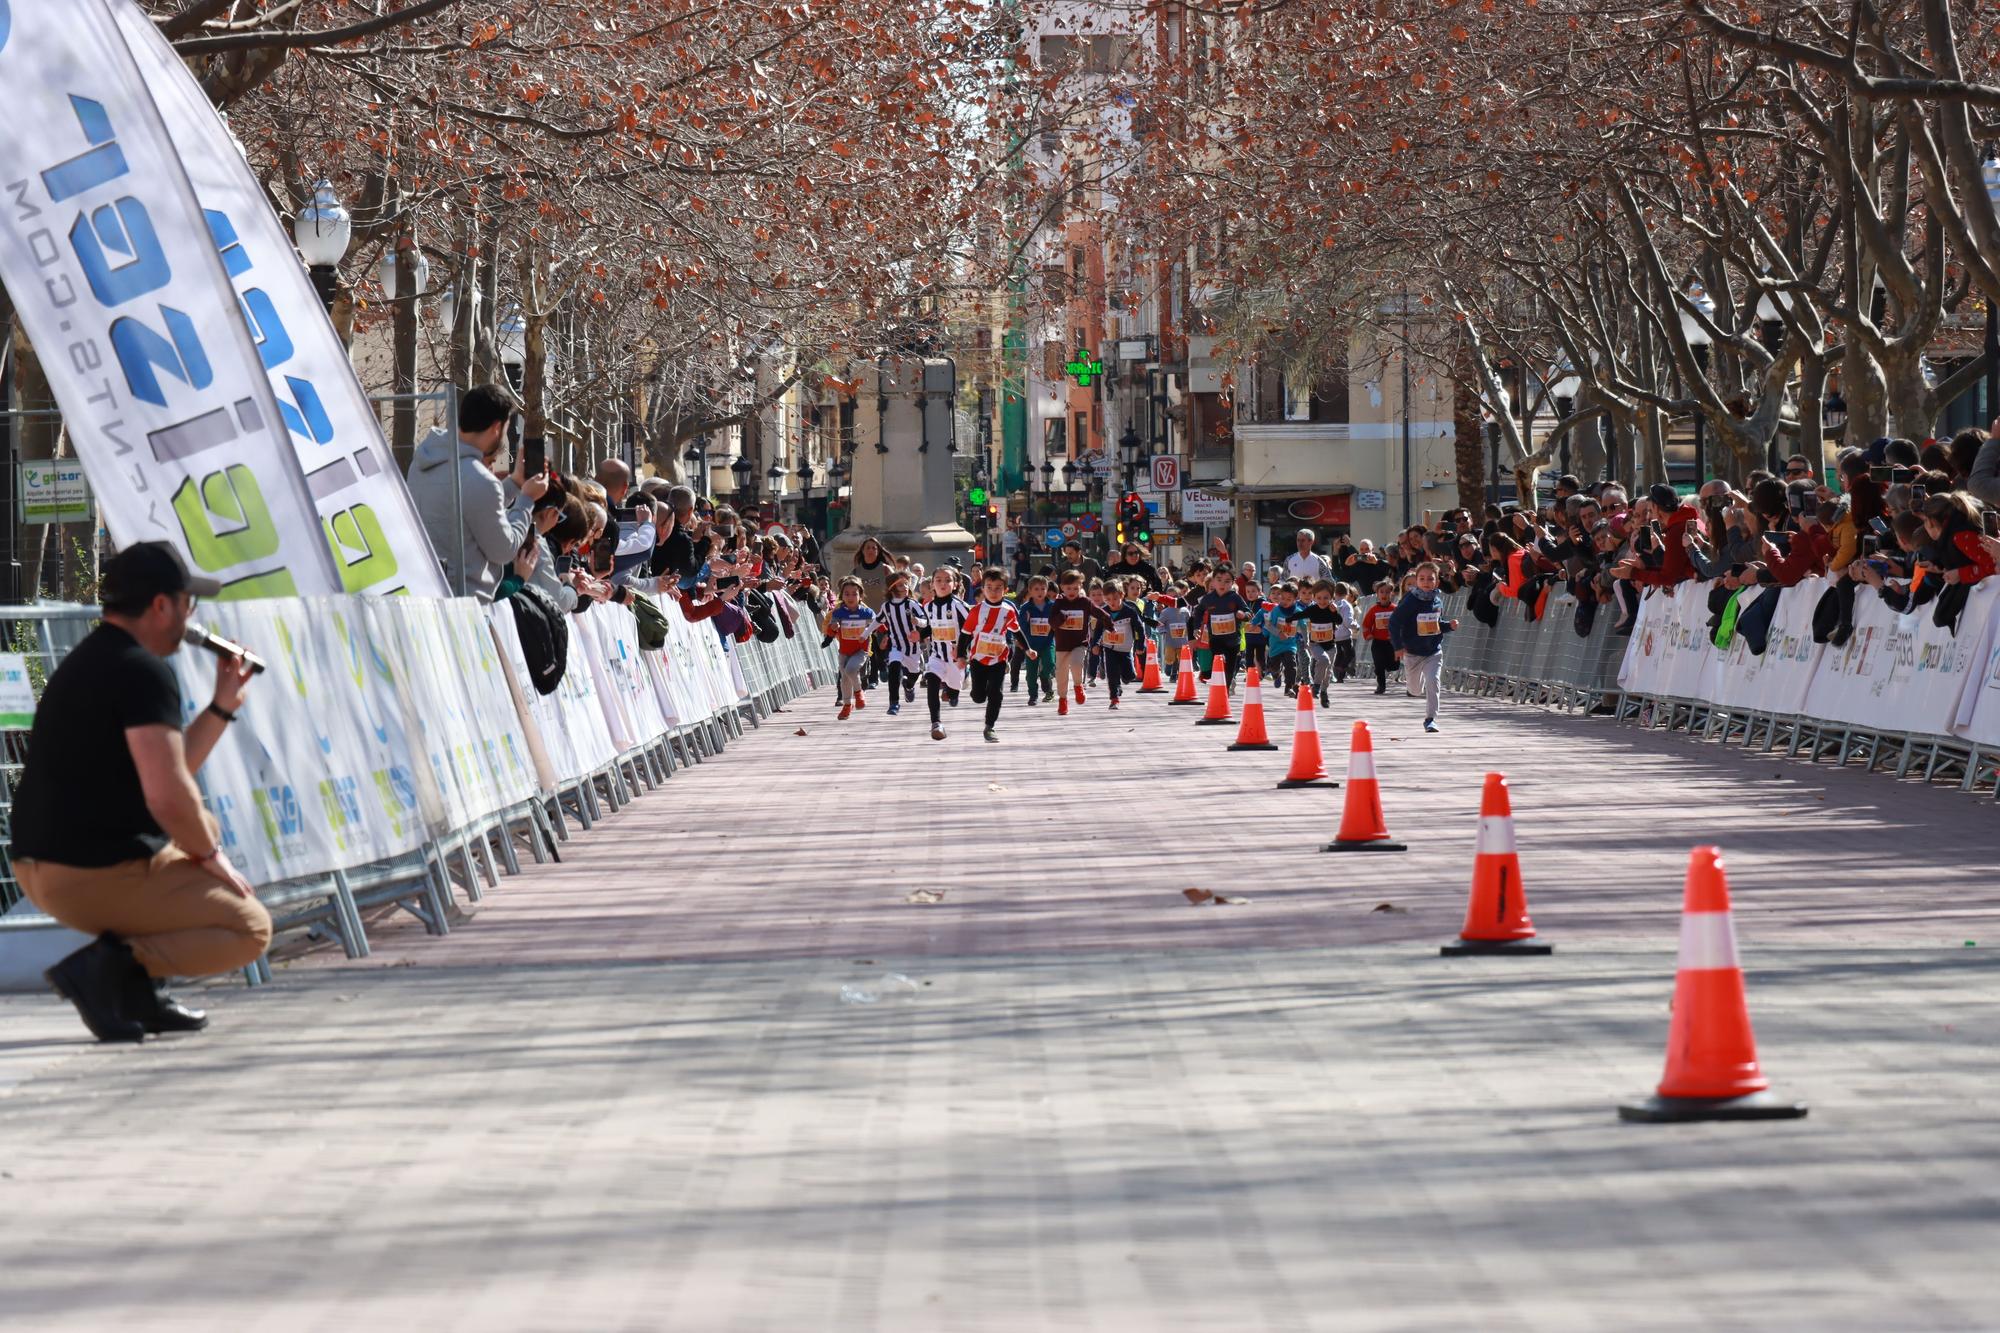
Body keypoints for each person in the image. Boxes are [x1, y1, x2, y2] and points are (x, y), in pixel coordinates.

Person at [11, 543, 270, 1042]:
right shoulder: (142, 671)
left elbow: (168, 771)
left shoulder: (94, 659)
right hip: (89, 873)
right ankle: (108, 971)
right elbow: (169, 796)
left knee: (198, 828)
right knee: (250, 929)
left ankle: (140, 997)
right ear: (161, 606)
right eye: (187, 603)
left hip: (47, 866)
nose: (190, 617)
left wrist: (221, 706)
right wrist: (211, 856)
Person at [406, 383, 550, 601]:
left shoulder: (422, 461)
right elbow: (503, 550)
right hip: (465, 607)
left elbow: (469, 508)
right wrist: (526, 500)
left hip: (426, 596)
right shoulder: (479, 480)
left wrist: (514, 485)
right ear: (496, 427)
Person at [1389, 561, 1460, 733]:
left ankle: (1431, 719)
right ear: (1417, 581)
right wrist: (1398, 646)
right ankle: (1415, 686)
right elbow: (1394, 622)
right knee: (1414, 690)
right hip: (1412, 652)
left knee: (1433, 681)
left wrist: (1448, 626)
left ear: (1436, 582)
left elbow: (1435, 625)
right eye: (1422, 579)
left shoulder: (1437, 601)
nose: (1426, 582)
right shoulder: (1410, 601)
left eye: (1430, 579)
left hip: (1433, 651)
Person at [959, 567, 1022, 742]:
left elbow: (1017, 631)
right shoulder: (976, 611)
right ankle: (976, 690)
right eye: (989, 587)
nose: (993, 592)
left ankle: (990, 727)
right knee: (979, 697)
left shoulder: (1008, 610)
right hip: (978, 659)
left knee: (996, 693)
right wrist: (961, 655)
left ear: (1005, 590)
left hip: (999, 658)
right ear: (983, 589)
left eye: (998, 588)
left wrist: (1028, 648)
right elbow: (965, 634)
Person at [1048, 568, 1110, 716]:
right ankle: (1063, 700)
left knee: (1076, 664)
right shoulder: (1059, 602)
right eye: (1068, 588)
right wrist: (1061, 619)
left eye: (1076, 588)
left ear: (1081, 587)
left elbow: (1098, 612)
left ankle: (1078, 686)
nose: (1072, 591)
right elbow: (1051, 622)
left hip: (1079, 642)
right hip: (1062, 645)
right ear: (1062, 588)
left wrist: (1109, 621)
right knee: (1061, 674)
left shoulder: (1084, 602)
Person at [919, 566, 970, 740]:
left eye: (947, 580)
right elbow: (928, 629)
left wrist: (962, 651)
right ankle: (936, 723)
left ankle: (955, 686)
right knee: (931, 680)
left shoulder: (959, 606)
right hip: (937, 655)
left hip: (956, 658)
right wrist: (917, 635)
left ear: (955, 584)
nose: (943, 583)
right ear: (932, 584)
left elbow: (970, 629)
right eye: (938, 580)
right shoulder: (929, 607)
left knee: (954, 691)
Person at [1188, 567, 1254, 691]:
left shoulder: (1235, 597)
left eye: (1227, 581)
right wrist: (1196, 627)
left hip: (1233, 640)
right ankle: (1218, 685)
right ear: (1213, 581)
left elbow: (1248, 612)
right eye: (1219, 580)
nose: (1222, 584)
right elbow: (1198, 612)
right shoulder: (1208, 598)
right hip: (1216, 639)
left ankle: (1226, 690)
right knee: (1218, 660)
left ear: (1233, 583)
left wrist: (1243, 615)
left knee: (1229, 668)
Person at [871, 571, 925, 717]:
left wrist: (918, 622)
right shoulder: (887, 606)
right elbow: (877, 621)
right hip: (896, 646)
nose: (905, 587)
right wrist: (865, 634)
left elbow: (925, 620)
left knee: (915, 673)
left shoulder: (912, 604)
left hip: (912, 647)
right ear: (892, 588)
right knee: (894, 669)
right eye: (901, 585)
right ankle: (894, 703)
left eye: (906, 584)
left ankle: (909, 686)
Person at [822, 577, 874, 720]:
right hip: (844, 650)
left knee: (850, 670)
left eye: (854, 594)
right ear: (841, 595)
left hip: (861, 650)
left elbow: (878, 626)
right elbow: (830, 632)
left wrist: (872, 631)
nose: (850, 597)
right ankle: (847, 705)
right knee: (844, 678)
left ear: (860, 595)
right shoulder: (838, 613)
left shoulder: (867, 613)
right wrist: (833, 628)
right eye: (847, 594)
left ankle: (858, 693)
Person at [1096, 582, 1146, 708]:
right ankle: (1114, 698)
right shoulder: (1104, 613)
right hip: (1109, 648)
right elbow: (1097, 631)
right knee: (1111, 674)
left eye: (1115, 599)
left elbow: (1140, 628)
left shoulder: (1129, 611)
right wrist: (1095, 644)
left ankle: (1124, 680)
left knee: (1128, 676)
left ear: (1122, 595)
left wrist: (1140, 645)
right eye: (1108, 599)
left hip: (1124, 649)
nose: (1112, 602)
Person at [1015, 574, 1058, 706]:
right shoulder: (1026, 607)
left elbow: (1058, 623)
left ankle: (1045, 677)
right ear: (1030, 591)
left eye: (1043, 589)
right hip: (1031, 645)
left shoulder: (1052, 606)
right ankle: (1033, 695)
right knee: (1031, 673)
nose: (1040, 592)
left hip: (1047, 643)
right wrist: (1025, 621)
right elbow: (1020, 627)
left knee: (1050, 664)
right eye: (1036, 589)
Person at [1301, 580, 1339, 707]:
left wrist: (1335, 612)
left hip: (1331, 645)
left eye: (1326, 598)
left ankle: (1323, 692)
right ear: (1314, 597)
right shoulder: (1312, 609)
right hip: (1315, 643)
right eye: (1319, 598)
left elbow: (1340, 621)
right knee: (1323, 660)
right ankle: (1316, 686)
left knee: (1328, 672)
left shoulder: (1332, 609)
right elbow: (1300, 616)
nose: (1322, 601)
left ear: (1331, 597)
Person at [1263, 581, 1305, 697]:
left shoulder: (1298, 612)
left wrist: (1307, 640)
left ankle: (1289, 687)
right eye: (1283, 598)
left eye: (1289, 599)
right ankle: (1276, 673)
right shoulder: (1276, 610)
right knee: (1274, 667)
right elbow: (1268, 625)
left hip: (1290, 645)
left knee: (1291, 665)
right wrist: (1278, 632)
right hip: (1275, 645)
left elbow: (1304, 627)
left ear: (1295, 599)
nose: (1285, 601)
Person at [1360, 579, 1398, 695]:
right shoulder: (1374, 610)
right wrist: (1369, 635)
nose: (1384, 594)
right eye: (1381, 592)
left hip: (1392, 643)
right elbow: (1366, 625)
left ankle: (1390, 666)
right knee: (1379, 664)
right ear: (1377, 594)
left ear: (1392, 593)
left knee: (1393, 665)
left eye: (1387, 592)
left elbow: (1401, 623)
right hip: (1378, 642)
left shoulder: (1395, 609)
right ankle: (1381, 686)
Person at [1331, 581, 1359, 684]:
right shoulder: (1347, 605)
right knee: (1350, 654)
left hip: (1334, 634)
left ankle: (1339, 675)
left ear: (1335, 592)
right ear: (1347, 593)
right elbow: (1348, 621)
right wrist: (1356, 626)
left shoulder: (1332, 604)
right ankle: (1341, 668)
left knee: (1339, 654)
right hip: (1345, 635)